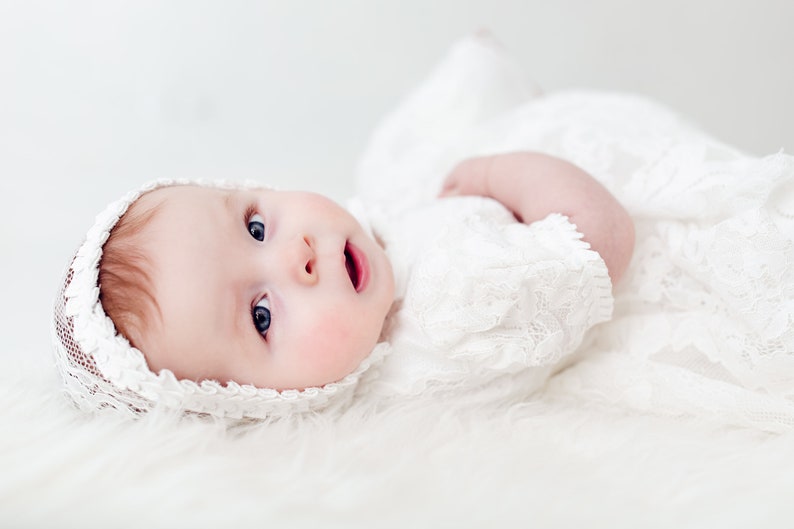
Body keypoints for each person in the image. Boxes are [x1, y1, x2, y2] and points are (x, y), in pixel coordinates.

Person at [52, 151, 633, 419]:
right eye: (261, 315)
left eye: (256, 226)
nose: (296, 258)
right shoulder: (453, 302)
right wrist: (496, 175)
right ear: (261, 400)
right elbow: (601, 240)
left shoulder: (367, 250)